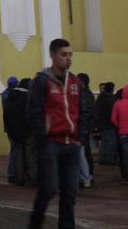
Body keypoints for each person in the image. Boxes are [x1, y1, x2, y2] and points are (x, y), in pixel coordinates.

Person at [27, 38, 89, 229]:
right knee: (49, 188)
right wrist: (43, 137)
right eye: (64, 54)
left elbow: (84, 111)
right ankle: (35, 224)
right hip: (51, 143)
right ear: (52, 55)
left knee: (70, 192)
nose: (68, 59)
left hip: (72, 144)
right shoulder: (42, 81)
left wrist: (81, 137)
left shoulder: (76, 82)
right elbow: (33, 111)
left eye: (70, 55)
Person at [4, 77, 37, 186]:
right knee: (30, 154)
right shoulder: (29, 97)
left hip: (14, 131)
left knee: (18, 154)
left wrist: (9, 129)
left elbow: (6, 114)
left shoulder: (10, 96)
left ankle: (19, 178)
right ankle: (31, 178)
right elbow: (32, 115)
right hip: (28, 131)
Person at [76, 73, 95, 187]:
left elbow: (84, 113)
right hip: (85, 127)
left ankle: (86, 176)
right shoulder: (89, 94)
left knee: (82, 154)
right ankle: (87, 176)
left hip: (82, 128)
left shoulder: (82, 95)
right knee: (84, 153)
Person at [94, 82, 118, 164]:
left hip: (102, 123)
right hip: (109, 123)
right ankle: (109, 159)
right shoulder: (110, 98)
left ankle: (103, 158)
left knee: (104, 142)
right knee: (111, 142)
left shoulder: (100, 97)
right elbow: (113, 110)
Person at [2, 76, 20, 183]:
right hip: (13, 126)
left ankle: (13, 173)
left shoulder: (5, 94)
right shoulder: (10, 95)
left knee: (14, 148)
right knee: (14, 149)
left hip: (9, 126)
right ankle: (12, 173)